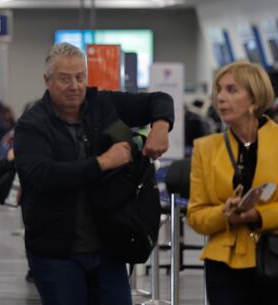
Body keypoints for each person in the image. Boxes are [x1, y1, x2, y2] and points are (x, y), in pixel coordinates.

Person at [14, 42, 174, 305]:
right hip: (56, 252)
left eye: (80, 77)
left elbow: (159, 100)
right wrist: (102, 162)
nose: (75, 86)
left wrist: (160, 127)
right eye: (65, 79)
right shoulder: (32, 125)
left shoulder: (102, 105)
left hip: (108, 247)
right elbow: (45, 176)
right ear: (48, 80)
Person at [187, 61, 278, 305]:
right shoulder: (204, 149)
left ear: (254, 100)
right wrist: (223, 213)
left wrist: (258, 215)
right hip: (224, 266)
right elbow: (196, 215)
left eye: (231, 90)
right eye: (219, 89)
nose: (221, 98)